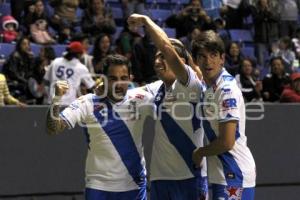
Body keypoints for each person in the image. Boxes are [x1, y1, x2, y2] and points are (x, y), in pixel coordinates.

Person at [46, 54, 152, 200]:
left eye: (123, 78)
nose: (118, 84)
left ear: (130, 78)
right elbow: (53, 128)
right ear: (103, 79)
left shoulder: (141, 99)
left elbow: (168, 89)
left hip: (134, 185)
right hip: (99, 186)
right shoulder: (86, 103)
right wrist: (56, 99)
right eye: (113, 78)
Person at [128, 14, 208, 200]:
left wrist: (147, 22)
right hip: (159, 178)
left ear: (180, 61)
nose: (157, 62)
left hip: (190, 177)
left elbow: (167, 47)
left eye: (163, 57)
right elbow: (121, 94)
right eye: (156, 58)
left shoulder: (191, 85)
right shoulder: (155, 89)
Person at [191, 30, 256, 200]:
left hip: (234, 173)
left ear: (222, 58)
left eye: (213, 55)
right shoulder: (209, 86)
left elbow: (227, 142)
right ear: (197, 61)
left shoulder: (226, 90)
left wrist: (199, 153)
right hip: (223, 174)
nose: (208, 61)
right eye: (202, 57)